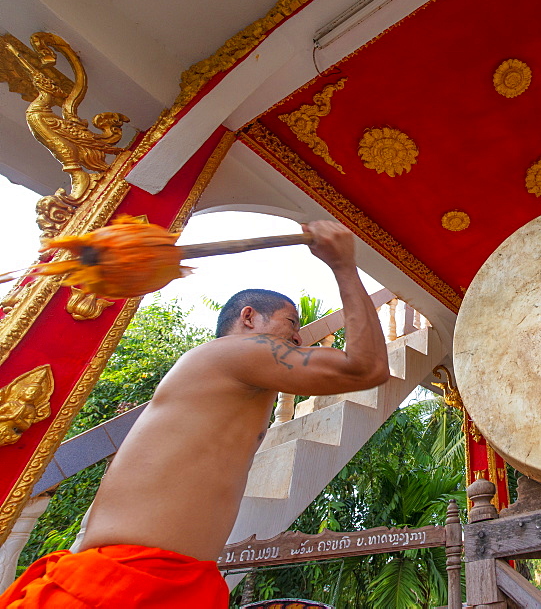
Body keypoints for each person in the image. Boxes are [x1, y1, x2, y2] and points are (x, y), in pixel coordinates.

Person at [0, 220, 389, 608]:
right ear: (249, 318)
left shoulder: (233, 376)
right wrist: (342, 265)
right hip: (127, 579)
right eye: (291, 323)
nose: (298, 338)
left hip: (171, 577)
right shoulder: (235, 352)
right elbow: (365, 368)